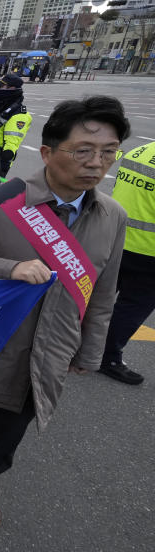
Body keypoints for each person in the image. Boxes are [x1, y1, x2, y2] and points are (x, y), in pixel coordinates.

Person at [0, 96, 129, 529]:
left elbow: (103, 292)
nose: (97, 164)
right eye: (83, 151)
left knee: (10, 428)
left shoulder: (113, 217)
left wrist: (89, 352)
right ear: (47, 153)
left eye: (108, 152)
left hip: (49, 351)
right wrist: (9, 269)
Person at [98, 140, 155, 385]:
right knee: (132, 306)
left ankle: (67, 342)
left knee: (98, 296)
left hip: (115, 236)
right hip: (148, 249)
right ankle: (107, 357)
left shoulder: (142, 150)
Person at [0, 74, 32, 178]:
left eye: (0, 87)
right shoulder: (2, 106)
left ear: (11, 88)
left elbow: (10, 147)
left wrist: (1, 169)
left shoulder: (19, 115)